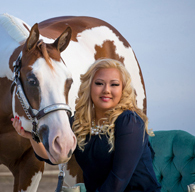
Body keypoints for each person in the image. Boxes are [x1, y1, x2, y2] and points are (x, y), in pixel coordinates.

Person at [12, 59, 161, 192]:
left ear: (123, 90)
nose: (106, 90)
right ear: (89, 87)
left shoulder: (130, 122)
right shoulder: (79, 122)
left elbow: (118, 181)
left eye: (114, 84)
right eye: (99, 83)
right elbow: (52, 157)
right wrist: (32, 135)